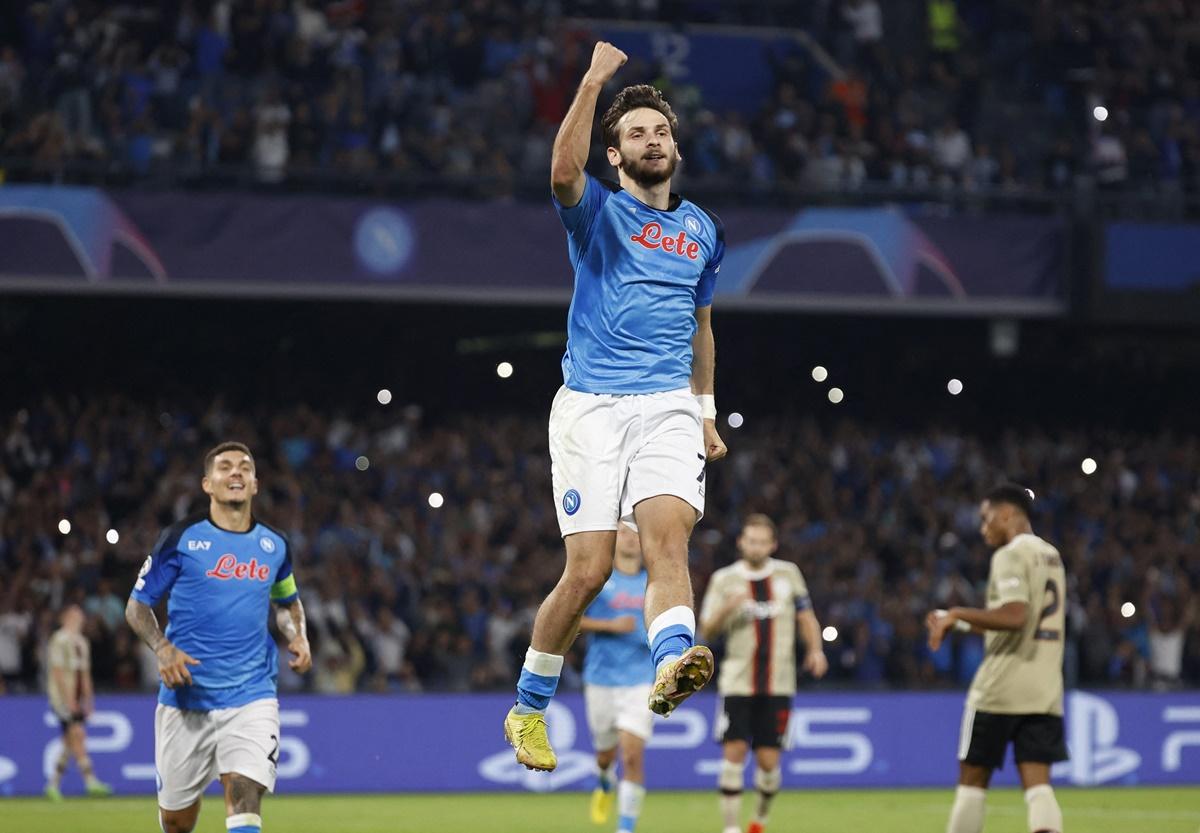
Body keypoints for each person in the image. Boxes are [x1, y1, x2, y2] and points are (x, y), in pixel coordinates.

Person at [505, 40, 728, 772]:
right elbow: (560, 171)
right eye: (636, 133)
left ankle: (670, 662)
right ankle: (529, 706)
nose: (652, 139)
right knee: (591, 569)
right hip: (592, 407)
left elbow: (700, 326)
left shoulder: (702, 232)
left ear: (676, 149)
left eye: (660, 131)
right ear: (615, 155)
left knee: (668, 542)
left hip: (667, 404)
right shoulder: (596, 212)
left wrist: (705, 408)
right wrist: (596, 80)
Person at [125, 442, 312, 833]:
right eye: (225, 467)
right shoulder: (180, 539)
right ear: (207, 484)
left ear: (256, 484)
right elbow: (137, 607)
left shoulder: (274, 545)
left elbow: (287, 603)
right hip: (186, 696)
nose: (236, 473)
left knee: (244, 793)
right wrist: (162, 648)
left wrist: (298, 635)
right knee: (178, 822)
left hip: (252, 694)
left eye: (245, 467)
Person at [925, 484, 1067, 833]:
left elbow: (1015, 617)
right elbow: (1018, 623)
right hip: (1044, 690)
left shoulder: (1009, 555)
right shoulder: (1050, 554)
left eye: (986, 519)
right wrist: (958, 625)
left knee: (972, 784)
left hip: (1000, 690)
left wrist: (957, 611)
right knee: (1038, 787)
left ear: (1007, 515)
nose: (982, 527)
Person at [699, 514, 828, 833]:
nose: (755, 547)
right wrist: (728, 607)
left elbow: (806, 617)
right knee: (734, 753)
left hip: (779, 682)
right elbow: (706, 630)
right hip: (737, 681)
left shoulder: (788, 574)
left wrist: (815, 649)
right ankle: (731, 828)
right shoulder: (724, 579)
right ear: (741, 542)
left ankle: (759, 820)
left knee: (769, 764)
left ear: (772, 545)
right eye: (750, 540)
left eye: (762, 542)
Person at [579, 525, 653, 833]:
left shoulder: (653, 583)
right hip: (601, 678)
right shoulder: (600, 578)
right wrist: (611, 626)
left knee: (633, 755)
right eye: (625, 532)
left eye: (638, 533)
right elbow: (573, 620)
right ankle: (605, 780)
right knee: (605, 755)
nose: (632, 538)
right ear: (614, 537)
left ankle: (625, 828)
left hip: (639, 678)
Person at [44, 604, 113, 800]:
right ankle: (90, 780)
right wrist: (68, 699)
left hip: (77, 697)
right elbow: (57, 672)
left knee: (70, 740)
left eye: (80, 615)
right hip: (61, 697)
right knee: (77, 733)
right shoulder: (59, 639)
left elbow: (84, 674)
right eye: (74, 615)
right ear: (65, 618)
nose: (79, 618)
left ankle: (53, 784)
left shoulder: (82, 642)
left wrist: (88, 700)